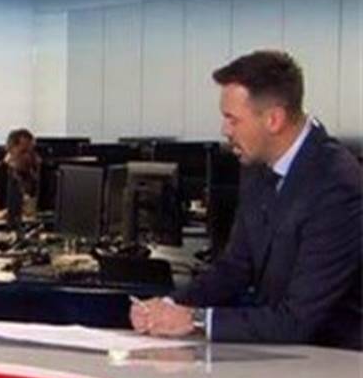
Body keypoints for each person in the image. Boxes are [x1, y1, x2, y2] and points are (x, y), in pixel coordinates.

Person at [131, 50, 362, 349]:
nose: (225, 130)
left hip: (335, 361)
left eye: (233, 119)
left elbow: (297, 322)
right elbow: (235, 267)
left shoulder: (337, 185)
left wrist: (196, 320)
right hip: (279, 356)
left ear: (274, 119)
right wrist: (167, 306)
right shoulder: (257, 166)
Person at [0, 128, 39, 220]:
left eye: (31, 152)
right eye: (23, 152)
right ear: (10, 149)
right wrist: (0, 214)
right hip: (2, 226)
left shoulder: (31, 176)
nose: (28, 157)